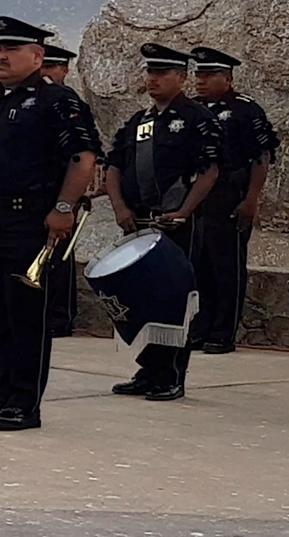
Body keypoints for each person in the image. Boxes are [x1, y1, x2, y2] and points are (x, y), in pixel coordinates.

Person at [0, 16, 100, 431]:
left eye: (12, 50)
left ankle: (24, 403)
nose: (1, 56)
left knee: (26, 316)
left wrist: (64, 207)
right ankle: (2, 397)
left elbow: (82, 157)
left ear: (37, 57)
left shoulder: (57, 101)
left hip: (28, 219)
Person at [104, 44, 222, 402]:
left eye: (162, 73)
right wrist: (119, 208)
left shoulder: (197, 117)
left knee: (173, 298)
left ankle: (171, 375)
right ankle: (147, 368)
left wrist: (185, 210)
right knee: (141, 297)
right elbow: (114, 166)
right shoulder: (139, 121)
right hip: (138, 222)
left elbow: (210, 169)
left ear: (181, 77)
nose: (152, 80)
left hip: (176, 223)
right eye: (149, 73)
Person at [188, 46, 276, 354]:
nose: (200, 80)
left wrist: (251, 199)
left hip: (229, 195)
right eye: (198, 74)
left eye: (209, 74)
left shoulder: (244, 110)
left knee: (226, 267)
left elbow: (261, 158)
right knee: (198, 266)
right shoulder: (192, 108)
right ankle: (200, 328)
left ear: (227, 78)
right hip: (195, 198)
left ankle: (223, 333)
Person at [38, 44, 102, 337]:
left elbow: (88, 150)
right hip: (36, 191)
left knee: (58, 258)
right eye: (44, 66)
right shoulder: (36, 101)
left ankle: (59, 318)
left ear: (64, 70)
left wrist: (72, 197)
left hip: (63, 190)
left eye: (53, 66)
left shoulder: (70, 102)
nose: (47, 72)